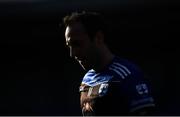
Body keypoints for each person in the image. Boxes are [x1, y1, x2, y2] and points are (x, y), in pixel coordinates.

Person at [62, 11, 155, 116]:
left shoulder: (128, 76)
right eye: (69, 46)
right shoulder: (87, 79)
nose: (72, 53)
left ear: (98, 38)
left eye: (77, 44)